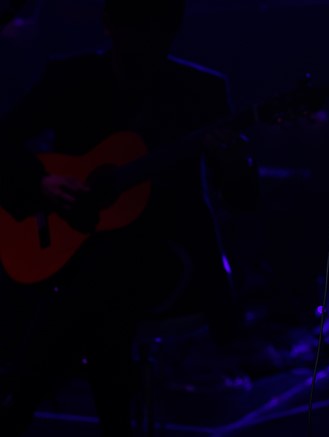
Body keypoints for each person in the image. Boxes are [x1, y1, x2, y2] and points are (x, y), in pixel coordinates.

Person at [0, 0, 258, 435]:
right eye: (134, 30)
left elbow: (244, 199)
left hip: (171, 257)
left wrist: (234, 161)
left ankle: (20, 407)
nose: (144, 43)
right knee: (99, 294)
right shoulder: (71, 77)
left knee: (96, 291)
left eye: (157, 32)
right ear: (110, 27)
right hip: (77, 247)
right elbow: (5, 141)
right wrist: (41, 182)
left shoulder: (200, 90)